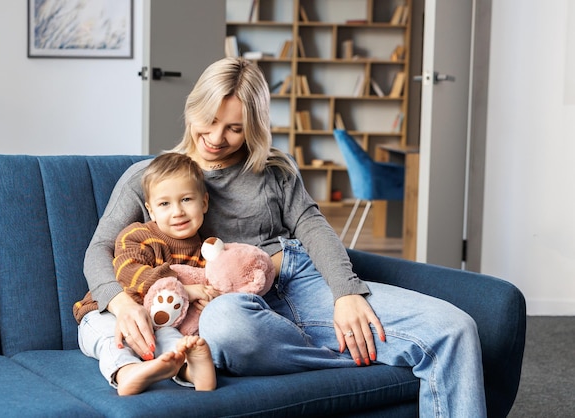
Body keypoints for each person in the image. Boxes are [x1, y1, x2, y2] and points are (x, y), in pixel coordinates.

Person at [82, 57, 487, 417]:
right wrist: (119, 303)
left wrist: (346, 293)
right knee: (225, 326)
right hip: (233, 308)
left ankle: (347, 344)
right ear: (192, 108)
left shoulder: (275, 169)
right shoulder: (150, 178)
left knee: (455, 329)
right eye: (209, 119)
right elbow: (100, 249)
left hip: (301, 284)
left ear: (254, 127)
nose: (217, 137)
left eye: (235, 128)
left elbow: (312, 227)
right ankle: (358, 357)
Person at [74, 152, 217, 396]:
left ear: (203, 202)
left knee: (175, 344)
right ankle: (127, 372)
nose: (177, 212)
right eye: (165, 204)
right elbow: (129, 272)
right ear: (150, 210)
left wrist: (208, 299)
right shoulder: (137, 235)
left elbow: (205, 287)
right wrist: (183, 288)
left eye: (186, 199)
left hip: (159, 325)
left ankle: (191, 371)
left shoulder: (206, 251)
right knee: (111, 340)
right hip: (106, 312)